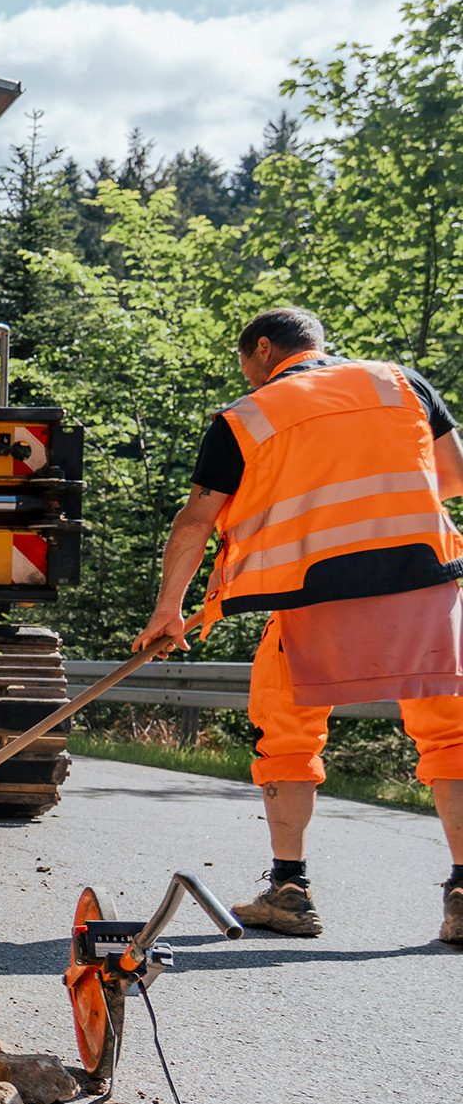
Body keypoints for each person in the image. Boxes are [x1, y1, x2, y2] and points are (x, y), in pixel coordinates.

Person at [136, 307, 463, 942]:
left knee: (285, 733)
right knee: (451, 737)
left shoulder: (247, 417)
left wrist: (167, 611)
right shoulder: (402, 384)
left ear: (263, 350)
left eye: (246, 367)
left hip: (312, 596)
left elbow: (198, 519)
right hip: (426, 589)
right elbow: (453, 476)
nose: (250, 379)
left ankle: (290, 889)